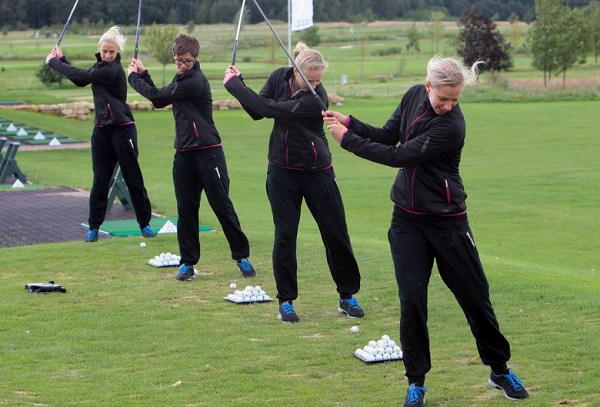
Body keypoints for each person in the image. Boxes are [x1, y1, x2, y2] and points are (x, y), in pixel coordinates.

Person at [323, 57, 529, 406]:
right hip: (407, 223)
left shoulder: (451, 127)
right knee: (413, 302)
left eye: (455, 100)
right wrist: (351, 122)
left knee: (475, 299)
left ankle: (499, 368)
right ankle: (416, 381)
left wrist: (347, 140)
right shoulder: (412, 96)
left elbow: (399, 156)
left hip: (449, 223)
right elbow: (390, 135)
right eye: (443, 99)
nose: (448, 106)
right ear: (428, 86)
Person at [223, 42, 364, 323]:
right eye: (309, 80)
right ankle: (286, 301)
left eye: (318, 80)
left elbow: (272, 108)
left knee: (335, 233)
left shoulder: (316, 99)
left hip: (317, 171)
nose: (314, 85)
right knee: (285, 236)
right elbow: (257, 111)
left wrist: (235, 87)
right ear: (295, 70)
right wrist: (239, 85)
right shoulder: (279, 77)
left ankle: (347, 296)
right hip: (282, 172)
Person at [127, 34, 255, 281]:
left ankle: (241, 256)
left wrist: (133, 78)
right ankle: (187, 262)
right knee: (186, 210)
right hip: (184, 154)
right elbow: (161, 99)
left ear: (195, 58)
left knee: (221, 205)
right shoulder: (181, 78)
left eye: (186, 61)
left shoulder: (195, 81)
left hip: (209, 152)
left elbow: (157, 97)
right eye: (178, 61)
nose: (182, 65)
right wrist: (144, 75)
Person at [45, 26, 156, 242]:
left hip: (123, 129)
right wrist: (63, 59)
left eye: (111, 52)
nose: (107, 55)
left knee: (133, 179)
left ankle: (145, 223)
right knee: (100, 180)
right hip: (102, 130)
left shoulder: (112, 70)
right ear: (100, 49)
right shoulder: (99, 67)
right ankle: (94, 227)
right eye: (104, 51)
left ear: (117, 54)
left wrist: (53, 62)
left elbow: (84, 76)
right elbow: (81, 79)